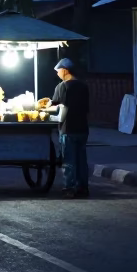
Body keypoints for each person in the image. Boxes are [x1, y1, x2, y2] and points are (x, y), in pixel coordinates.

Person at [39, 58, 90, 198]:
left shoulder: (62, 86)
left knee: (68, 161)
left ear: (65, 70)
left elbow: (61, 107)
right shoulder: (83, 86)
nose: (57, 74)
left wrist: (49, 114)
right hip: (83, 129)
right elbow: (85, 108)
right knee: (81, 160)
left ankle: (69, 188)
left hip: (68, 129)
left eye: (58, 71)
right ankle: (83, 188)